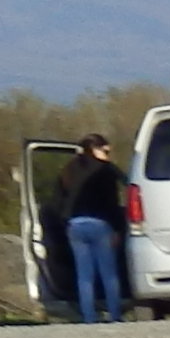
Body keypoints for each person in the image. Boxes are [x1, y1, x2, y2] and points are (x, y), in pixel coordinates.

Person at [57, 134, 130, 322]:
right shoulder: (106, 169)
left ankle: (89, 317)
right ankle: (114, 314)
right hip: (100, 224)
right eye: (105, 151)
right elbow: (117, 196)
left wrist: (65, 221)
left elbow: (59, 199)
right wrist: (117, 228)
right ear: (95, 149)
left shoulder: (68, 169)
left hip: (75, 226)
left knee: (84, 275)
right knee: (109, 273)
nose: (108, 155)